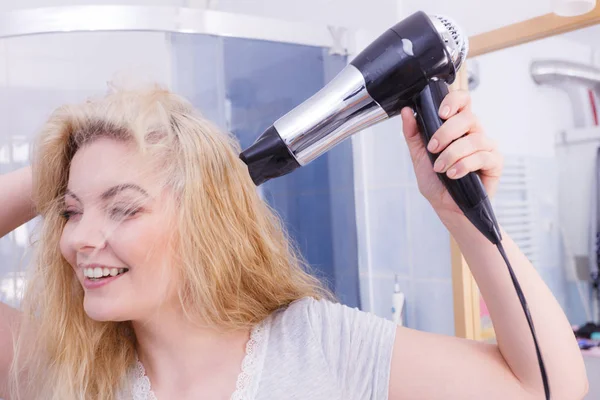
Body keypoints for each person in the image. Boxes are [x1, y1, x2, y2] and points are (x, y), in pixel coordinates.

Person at [0, 85, 588, 400]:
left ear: (205, 219)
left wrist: (460, 212)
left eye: (123, 208)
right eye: (70, 212)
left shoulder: (319, 346)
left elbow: (550, 387)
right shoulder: (67, 371)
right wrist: (63, 161)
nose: (80, 239)